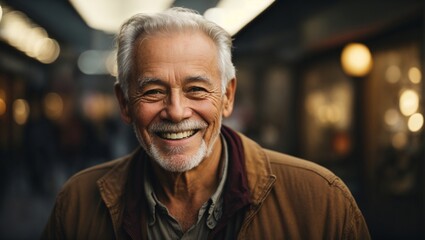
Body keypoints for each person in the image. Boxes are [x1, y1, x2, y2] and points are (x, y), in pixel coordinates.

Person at [42, 7, 370, 240]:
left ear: (227, 96)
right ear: (125, 103)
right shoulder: (78, 204)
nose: (176, 111)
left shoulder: (321, 203)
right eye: (153, 91)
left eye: (196, 89)